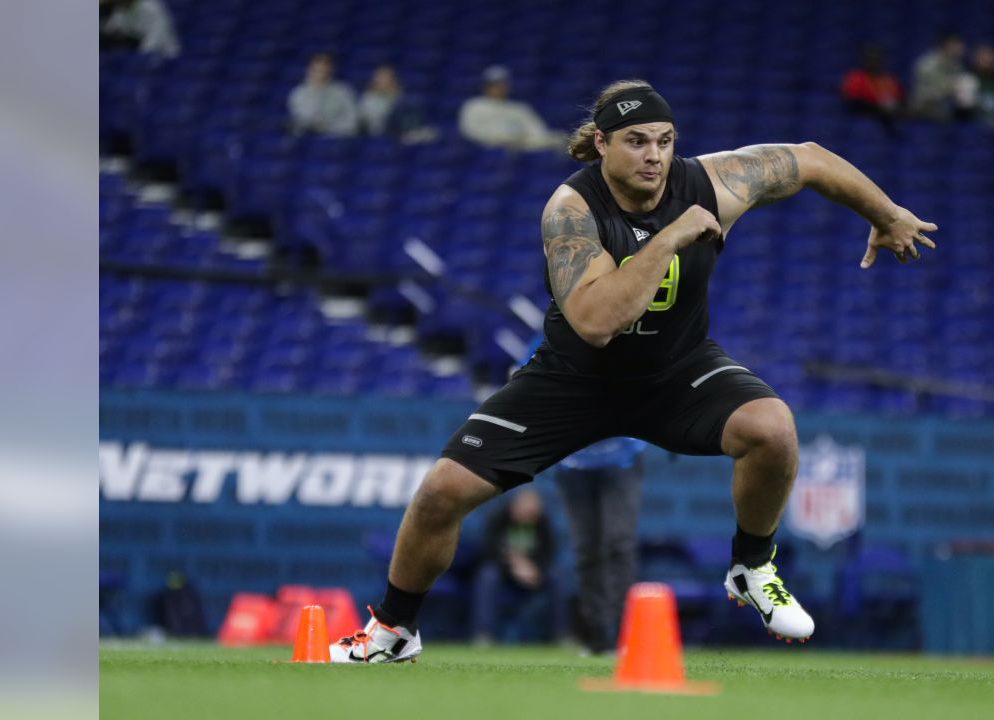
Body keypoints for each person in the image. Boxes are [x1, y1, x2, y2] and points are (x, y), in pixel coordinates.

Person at [329, 79, 937, 663]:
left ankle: (751, 565)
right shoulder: (571, 209)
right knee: (441, 493)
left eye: (665, 140)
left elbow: (807, 160)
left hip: (676, 370)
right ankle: (392, 631)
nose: (655, 156)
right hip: (574, 380)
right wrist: (669, 237)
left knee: (772, 428)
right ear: (602, 144)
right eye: (637, 141)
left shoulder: (714, 181)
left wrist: (884, 213)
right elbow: (596, 321)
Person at [554, 437, 645, 656]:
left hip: (623, 457)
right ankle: (597, 636)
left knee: (619, 544)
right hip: (572, 461)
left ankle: (623, 634)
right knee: (585, 550)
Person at [470, 488, 564, 645]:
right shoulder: (498, 520)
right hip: (505, 572)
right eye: (526, 512)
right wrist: (514, 566)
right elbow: (489, 551)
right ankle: (483, 634)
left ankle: (560, 634)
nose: (530, 516)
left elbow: (549, 552)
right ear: (515, 507)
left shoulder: (542, 522)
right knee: (487, 575)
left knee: (557, 576)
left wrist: (535, 569)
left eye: (533, 512)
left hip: (533, 573)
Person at [458, 65, 563, 151]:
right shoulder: (474, 106)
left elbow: (538, 133)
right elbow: (470, 132)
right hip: (486, 154)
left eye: (501, 84)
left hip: (521, 153)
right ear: (485, 87)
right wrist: (504, 138)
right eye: (493, 85)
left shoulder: (519, 108)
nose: (498, 88)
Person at [358, 64, 439, 143]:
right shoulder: (368, 98)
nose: (382, 80)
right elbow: (369, 120)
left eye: (386, 77)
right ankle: (410, 135)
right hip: (382, 130)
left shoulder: (399, 95)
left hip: (399, 128)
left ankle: (412, 134)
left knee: (413, 103)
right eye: (380, 77)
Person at [287, 53, 358, 137]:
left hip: (337, 139)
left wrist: (327, 128)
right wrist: (315, 91)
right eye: (317, 70)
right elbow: (301, 120)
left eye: (324, 70)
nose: (321, 74)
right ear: (309, 70)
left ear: (331, 71)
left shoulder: (343, 91)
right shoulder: (298, 93)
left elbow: (352, 122)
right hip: (306, 139)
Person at [840, 45, 904, 134]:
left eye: (877, 58)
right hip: (863, 118)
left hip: (889, 119)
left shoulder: (889, 79)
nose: (874, 62)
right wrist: (877, 108)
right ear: (865, 60)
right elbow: (852, 101)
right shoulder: (856, 77)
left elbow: (900, 99)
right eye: (870, 58)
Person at [909, 32, 967, 121]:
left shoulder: (958, 67)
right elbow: (922, 94)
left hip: (947, 113)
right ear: (945, 46)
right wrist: (947, 90)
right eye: (955, 46)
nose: (959, 50)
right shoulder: (927, 65)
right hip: (923, 112)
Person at [101, 0, 181, 59]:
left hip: (165, 55)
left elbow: (157, 35)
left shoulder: (151, 7)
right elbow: (113, 28)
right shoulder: (121, 10)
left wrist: (142, 54)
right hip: (138, 54)